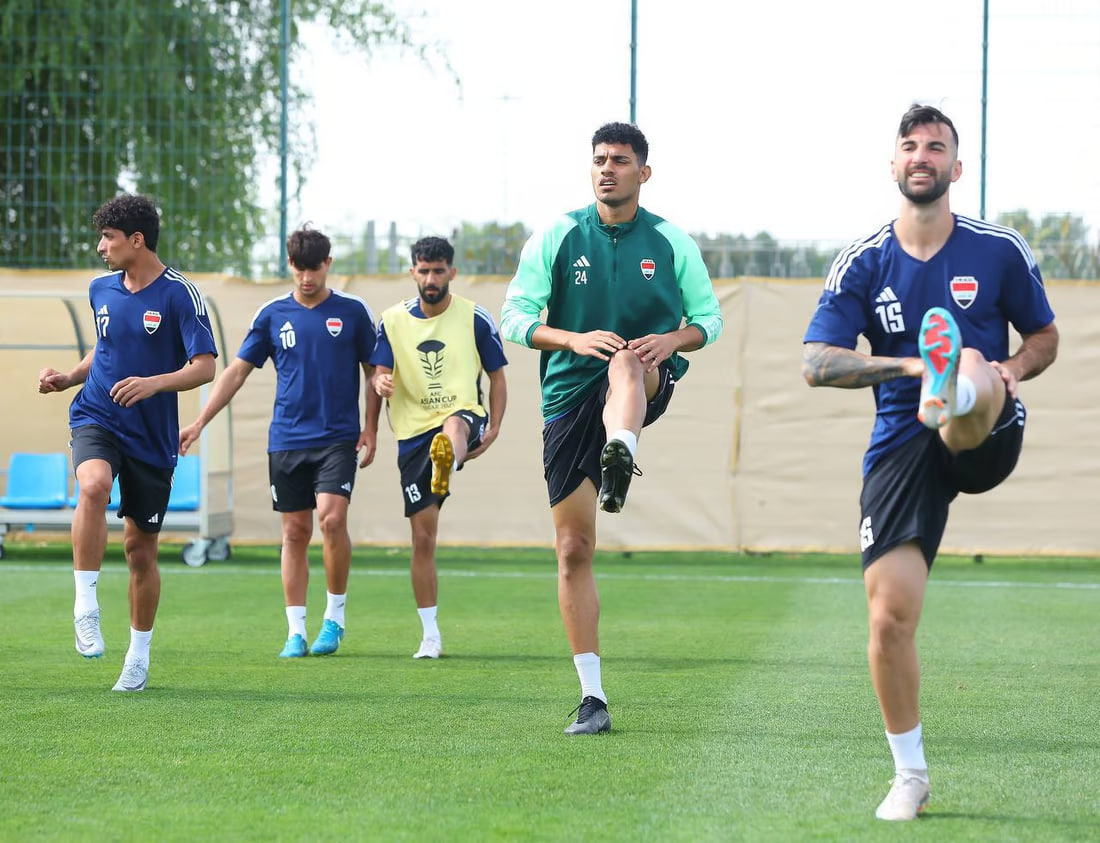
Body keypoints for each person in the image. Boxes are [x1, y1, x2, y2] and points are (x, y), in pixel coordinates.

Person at [801, 104, 1059, 820]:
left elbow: (1044, 337)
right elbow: (816, 362)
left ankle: (958, 385)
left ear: (957, 167)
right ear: (893, 165)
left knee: (972, 362)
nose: (922, 156)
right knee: (888, 618)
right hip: (901, 439)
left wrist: (1010, 369)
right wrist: (912, 366)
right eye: (910, 146)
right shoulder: (864, 259)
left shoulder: (998, 249)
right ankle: (910, 775)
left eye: (936, 147)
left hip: (985, 425)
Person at [500, 122, 723, 734]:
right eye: (599, 159)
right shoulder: (558, 234)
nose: (607, 169)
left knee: (625, 359)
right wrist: (572, 338)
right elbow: (514, 317)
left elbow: (709, 320)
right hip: (568, 394)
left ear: (643, 172)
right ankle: (592, 698)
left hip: (643, 380)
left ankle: (620, 450)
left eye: (620, 160)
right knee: (573, 548)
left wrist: (671, 340)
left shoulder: (671, 242)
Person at [37, 194, 218, 692]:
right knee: (92, 485)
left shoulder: (181, 295)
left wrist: (154, 383)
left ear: (136, 240)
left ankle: (138, 656)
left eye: (108, 238)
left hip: (151, 438)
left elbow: (205, 366)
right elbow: (104, 346)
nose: (101, 247)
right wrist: (68, 378)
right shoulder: (100, 289)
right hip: (96, 415)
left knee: (140, 552)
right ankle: (86, 605)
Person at [179, 226, 379, 658]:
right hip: (287, 439)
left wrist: (371, 428)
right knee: (295, 532)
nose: (307, 277)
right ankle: (295, 631)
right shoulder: (271, 314)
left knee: (331, 519)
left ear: (328, 265)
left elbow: (374, 371)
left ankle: (334, 618)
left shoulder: (353, 311)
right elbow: (235, 371)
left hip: (337, 438)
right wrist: (199, 422)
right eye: (299, 268)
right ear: (290, 265)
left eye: (315, 268)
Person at [369, 236, 508, 659]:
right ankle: (430, 634)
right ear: (413, 272)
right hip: (412, 432)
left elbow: (497, 377)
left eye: (438, 271)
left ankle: (448, 458)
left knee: (454, 427)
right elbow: (377, 374)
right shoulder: (392, 321)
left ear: (452, 272)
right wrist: (380, 383)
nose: (431, 279)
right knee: (423, 538)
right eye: (424, 271)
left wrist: (495, 426)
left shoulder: (475, 318)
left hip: (462, 413)